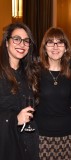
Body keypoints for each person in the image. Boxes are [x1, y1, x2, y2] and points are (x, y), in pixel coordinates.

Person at [35, 27, 71, 160]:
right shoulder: (35, 73)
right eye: (50, 42)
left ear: (66, 48)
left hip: (68, 137)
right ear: (44, 48)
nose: (55, 46)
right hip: (42, 137)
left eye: (60, 42)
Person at [0, 22, 39, 160]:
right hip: (6, 146)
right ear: (6, 42)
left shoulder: (29, 73)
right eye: (16, 39)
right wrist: (14, 119)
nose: (21, 44)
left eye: (26, 41)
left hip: (28, 144)